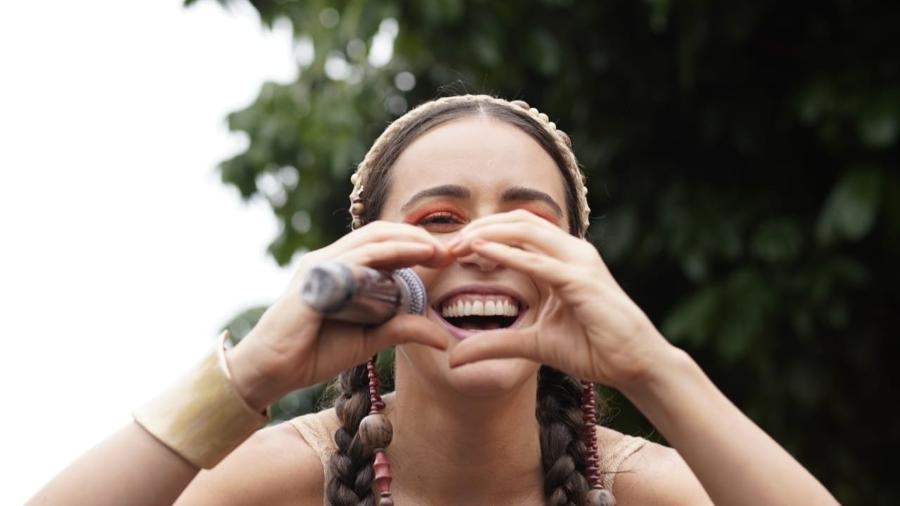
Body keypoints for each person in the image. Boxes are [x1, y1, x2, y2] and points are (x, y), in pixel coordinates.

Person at [27, 95, 839, 506]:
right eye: (438, 219)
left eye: (527, 225)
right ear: (369, 264)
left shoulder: (640, 488)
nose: (480, 248)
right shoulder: (277, 479)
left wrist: (657, 369)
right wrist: (252, 375)